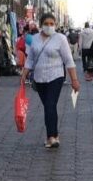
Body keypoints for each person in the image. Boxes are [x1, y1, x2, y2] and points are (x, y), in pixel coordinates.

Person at [20, 13, 80, 148]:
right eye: (46, 24)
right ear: (41, 25)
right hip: (39, 78)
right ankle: (54, 135)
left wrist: (74, 80)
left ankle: (51, 136)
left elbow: (68, 60)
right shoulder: (34, 39)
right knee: (48, 106)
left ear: (55, 25)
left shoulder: (60, 39)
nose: (49, 26)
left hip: (56, 77)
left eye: (52, 24)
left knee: (50, 105)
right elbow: (30, 58)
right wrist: (24, 74)